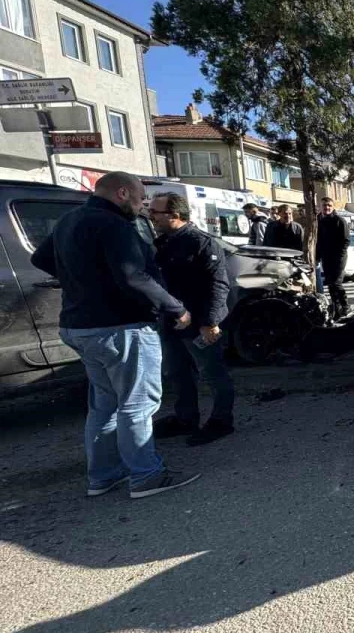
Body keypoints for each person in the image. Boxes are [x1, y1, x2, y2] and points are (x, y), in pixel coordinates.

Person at [29, 172, 201, 499]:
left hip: (79, 327)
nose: (141, 207)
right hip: (121, 327)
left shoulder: (69, 220)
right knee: (137, 404)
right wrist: (176, 308)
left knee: (104, 405)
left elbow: (40, 257)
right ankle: (146, 476)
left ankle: (104, 476)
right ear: (122, 193)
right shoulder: (114, 225)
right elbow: (134, 277)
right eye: (139, 199)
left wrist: (82, 279)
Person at [148, 192, 236, 446]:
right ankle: (186, 418)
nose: (150, 216)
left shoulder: (201, 243)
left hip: (199, 324)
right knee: (177, 373)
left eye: (155, 212)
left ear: (175, 215)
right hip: (172, 322)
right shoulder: (162, 243)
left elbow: (219, 286)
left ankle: (221, 420)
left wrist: (211, 322)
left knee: (212, 372)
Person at [316, 197, 351, 319]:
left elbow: (346, 240)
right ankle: (336, 309)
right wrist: (318, 257)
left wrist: (339, 256)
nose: (327, 208)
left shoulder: (339, 221)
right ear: (320, 206)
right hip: (326, 258)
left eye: (329, 205)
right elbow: (319, 242)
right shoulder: (319, 221)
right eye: (325, 205)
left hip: (338, 258)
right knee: (330, 284)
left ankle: (346, 306)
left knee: (336, 283)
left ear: (333, 206)